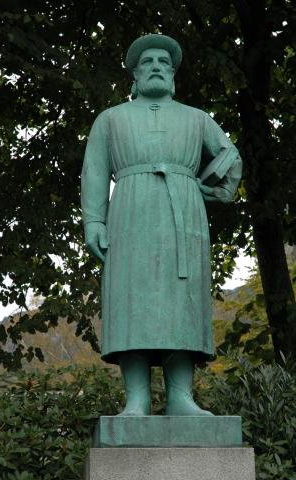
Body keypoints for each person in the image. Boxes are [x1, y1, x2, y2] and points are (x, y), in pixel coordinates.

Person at [81, 34, 242, 416]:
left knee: (181, 301)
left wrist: (210, 191)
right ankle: (135, 399)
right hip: (130, 211)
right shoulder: (112, 118)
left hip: (182, 214)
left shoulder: (196, 118)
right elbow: (94, 171)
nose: (156, 66)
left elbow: (229, 157)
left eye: (164, 63)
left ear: (173, 75)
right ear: (135, 75)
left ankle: (180, 397)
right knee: (131, 300)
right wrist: (93, 221)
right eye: (148, 62)